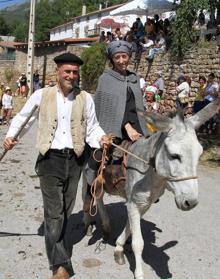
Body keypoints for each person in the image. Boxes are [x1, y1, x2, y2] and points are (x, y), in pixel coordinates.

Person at [3, 52, 109, 279]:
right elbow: (24, 118)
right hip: (49, 160)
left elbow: (92, 127)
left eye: (74, 72)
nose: (71, 76)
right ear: (57, 72)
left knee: (66, 211)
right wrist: (11, 136)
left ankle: (58, 251)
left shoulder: (85, 98)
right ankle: (60, 265)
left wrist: (101, 139)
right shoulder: (42, 95)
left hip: (75, 160)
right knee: (54, 214)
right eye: (67, 72)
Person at [84, 40, 150, 211]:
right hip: (113, 128)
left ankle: (149, 190)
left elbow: (135, 106)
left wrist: (143, 126)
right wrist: (127, 126)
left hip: (137, 126)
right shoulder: (105, 79)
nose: (121, 60)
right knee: (97, 160)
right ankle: (93, 191)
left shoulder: (134, 79)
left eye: (124, 56)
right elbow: (108, 108)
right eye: (117, 57)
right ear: (112, 59)